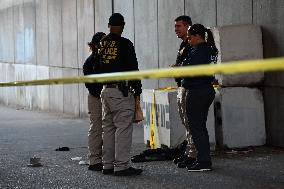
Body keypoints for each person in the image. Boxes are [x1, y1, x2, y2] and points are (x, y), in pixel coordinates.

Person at [98, 13, 143, 176]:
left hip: (105, 90)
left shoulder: (102, 43)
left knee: (108, 129)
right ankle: (122, 166)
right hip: (120, 91)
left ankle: (108, 165)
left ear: (109, 25)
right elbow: (133, 69)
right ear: (122, 26)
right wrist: (138, 90)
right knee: (123, 128)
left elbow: (97, 67)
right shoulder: (125, 44)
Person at [181, 24, 218, 171]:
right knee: (200, 127)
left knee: (196, 127)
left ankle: (203, 161)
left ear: (197, 36)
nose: (188, 41)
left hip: (197, 91)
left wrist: (180, 68)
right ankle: (203, 159)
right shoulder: (209, 49)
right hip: (206, 89)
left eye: (190, 38)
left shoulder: (199, 51)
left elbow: (190, 70)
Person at [172, 15, 197, 169]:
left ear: (188, 26)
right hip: (182, 87)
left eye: (178, 26)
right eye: (175, 26)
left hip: (191, 88)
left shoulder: (193, 45)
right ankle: (190, 152)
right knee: (186, 123)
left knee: (192, 123)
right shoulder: (183, 44)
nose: (175, 29)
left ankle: (194, 154)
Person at [83, 32, 106, 171]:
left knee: (103, 129)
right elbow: (92, 86)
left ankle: (101, 159)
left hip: (102, 96)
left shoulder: (97, 60)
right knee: (97, 128)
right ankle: (95, 160)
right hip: (96, 97)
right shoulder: (90, 62)